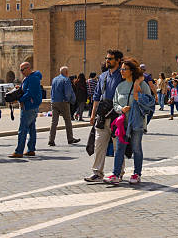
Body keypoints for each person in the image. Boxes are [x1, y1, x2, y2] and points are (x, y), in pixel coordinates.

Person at [104, 57, 154, 185]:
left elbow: (150, 103)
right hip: (122, 123)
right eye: (121, 69)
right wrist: (121, 109)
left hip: (137, 122)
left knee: (136, 148)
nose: (121, 71)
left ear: (131, 71)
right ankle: (116, 175)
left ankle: (137, 173)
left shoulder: (142, 85)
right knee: (119, 148)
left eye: (124, 69)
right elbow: (115, 103)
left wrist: (138, 97)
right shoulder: (120, 86)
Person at [84, 50, 124, 182]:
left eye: (111, 58)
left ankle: (119, 172)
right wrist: (93, 114)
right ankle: (97, 172)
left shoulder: (123, 76)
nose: (108, 60)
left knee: (117, 145)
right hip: (102, 116)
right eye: (106, 58)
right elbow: (96, 96)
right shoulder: (103, 76)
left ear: (118, 60)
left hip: (116, 116)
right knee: (99, 144)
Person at [9, 62, 43, 158]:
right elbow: (26, 90)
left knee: (23, 129)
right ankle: (31, 149)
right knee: (31, 129)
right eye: (21, 70)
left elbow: (30, 93)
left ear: (28, 68)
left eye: (23, 70)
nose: (22, 72)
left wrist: (19, 99)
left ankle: (19, 151)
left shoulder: (33, 78)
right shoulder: (29, 78)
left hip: (29, 107)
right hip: (30, 106)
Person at [49, 66, 80, 146]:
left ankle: (51, 140)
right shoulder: (66, 80)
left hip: (54, 102)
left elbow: (52, 91)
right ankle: (70, 138)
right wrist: (69, 100)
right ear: (66, 72)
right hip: (63, 102)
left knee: (54, 122)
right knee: (68, 121)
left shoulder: (54, 79)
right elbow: (68, 92)